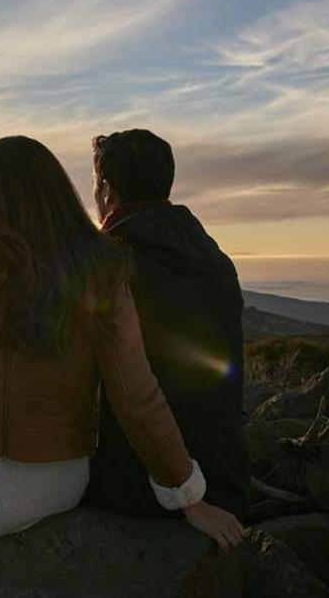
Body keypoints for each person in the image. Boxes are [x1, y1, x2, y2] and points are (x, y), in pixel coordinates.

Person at [0, 135, 244, 595]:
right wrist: (189, 498)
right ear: (60, 195)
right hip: (61, 484)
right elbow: (136, 396)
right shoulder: (101, 269)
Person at [85, 129, 251, 520]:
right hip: (224, 481)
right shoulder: (215, 260)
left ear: (106, 191)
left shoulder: (106, 266)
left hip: (137, 486)